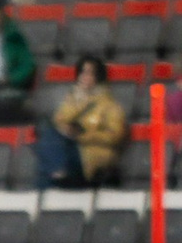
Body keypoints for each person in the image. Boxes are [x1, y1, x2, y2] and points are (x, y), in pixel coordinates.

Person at [44, 56, 128, 189]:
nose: (84, 77)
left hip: (92, 151)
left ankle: (58, 174)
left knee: (48, 157)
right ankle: (52, 185)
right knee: (48, 139)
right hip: (69, 148)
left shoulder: (109, 105)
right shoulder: (72, 100)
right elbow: (58, 121)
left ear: (98, 76)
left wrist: (83, 135)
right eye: (82, 72)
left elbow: (115, 135)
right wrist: (77, 103)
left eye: (89, 73)